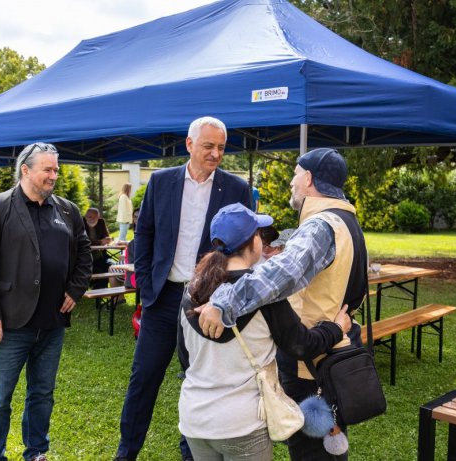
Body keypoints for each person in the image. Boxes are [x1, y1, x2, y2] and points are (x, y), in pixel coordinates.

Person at [197, 148, 368, 461]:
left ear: (308, 177)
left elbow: (281, 275)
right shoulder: (346, 220)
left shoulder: (321, 225)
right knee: (329, 442)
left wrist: (224, 300)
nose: (291, 182)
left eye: (295, 175)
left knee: (310, 451)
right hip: (336, 348)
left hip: (311, 361)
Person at [113, 116, 253, 461]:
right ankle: (126, 452)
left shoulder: (236, 188)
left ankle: (191, 454)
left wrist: (223, 297)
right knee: (144, 377)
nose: (216, 153)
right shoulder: (161, 182)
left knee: (201, 382)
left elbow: (245, 247)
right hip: (163, 298)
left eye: (221, 147)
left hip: (207, 303)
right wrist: (145, 286)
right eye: (208, 146)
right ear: (189, 145)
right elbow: (142, 234)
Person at [177, 203, 351, 461]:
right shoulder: (265, 298)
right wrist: (336, 328)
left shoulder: (191, 289)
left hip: (194, 418)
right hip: (242, 423)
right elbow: (301, 345)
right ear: (254, 241)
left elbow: (184, 357)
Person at [0, 142, 92, 461]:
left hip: (52, 325)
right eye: (47, 169)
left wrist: (75, 290)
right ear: (26, 170)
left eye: (56, 169)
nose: (53, 175)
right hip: (10, 324)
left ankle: (36, 451)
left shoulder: (67, 210)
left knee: (42, 394)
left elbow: (84, 256)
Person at [84, 207, 112, 288]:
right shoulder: (81, 222)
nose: (91, 219)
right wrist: (100, 242)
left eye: (95, 217)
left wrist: (107, 241)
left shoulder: (101, 222)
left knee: (109, 265)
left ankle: (101, 290)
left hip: (100, 255)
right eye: (89, 217)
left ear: (98, 217)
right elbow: (83, 239)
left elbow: (106, 237)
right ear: (85, 216)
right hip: (84, 256)